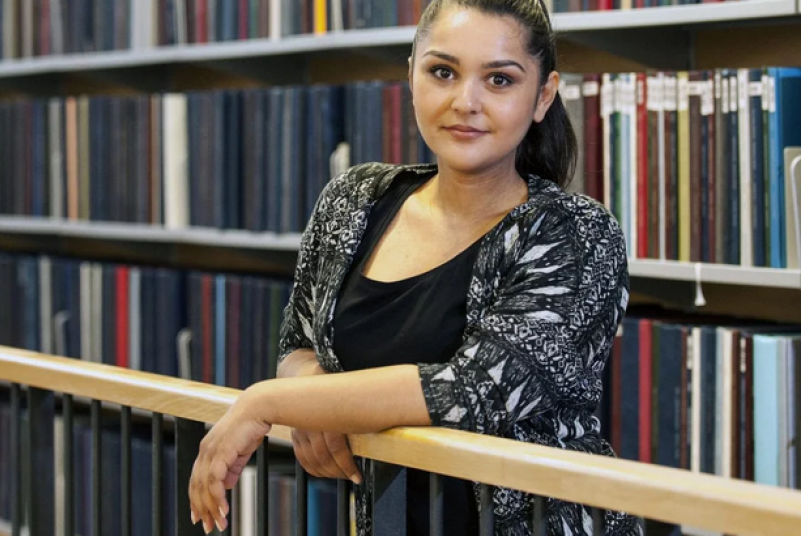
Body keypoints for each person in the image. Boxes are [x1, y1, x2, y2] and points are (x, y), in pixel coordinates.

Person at [188, 0, 643, 534]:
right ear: (411, 75)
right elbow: (297, 344)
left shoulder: (576, 233)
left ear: (543, 95)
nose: (465, 102)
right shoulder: (354, 200)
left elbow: (472, 391)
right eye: (443, 72)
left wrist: (270, 402)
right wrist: (317, 402)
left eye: (499, 80)